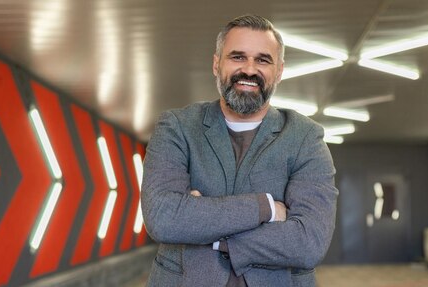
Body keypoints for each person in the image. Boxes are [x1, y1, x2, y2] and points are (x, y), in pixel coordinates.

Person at [141, 14, 338, 287]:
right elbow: (163, 218)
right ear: (216, 64)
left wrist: (204, 226)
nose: (249, 69)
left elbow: (309, 242)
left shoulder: (306, 138)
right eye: (237, 57)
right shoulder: (177, 127)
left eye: (262, 60)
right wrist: (265, 208)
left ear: (279, 71)